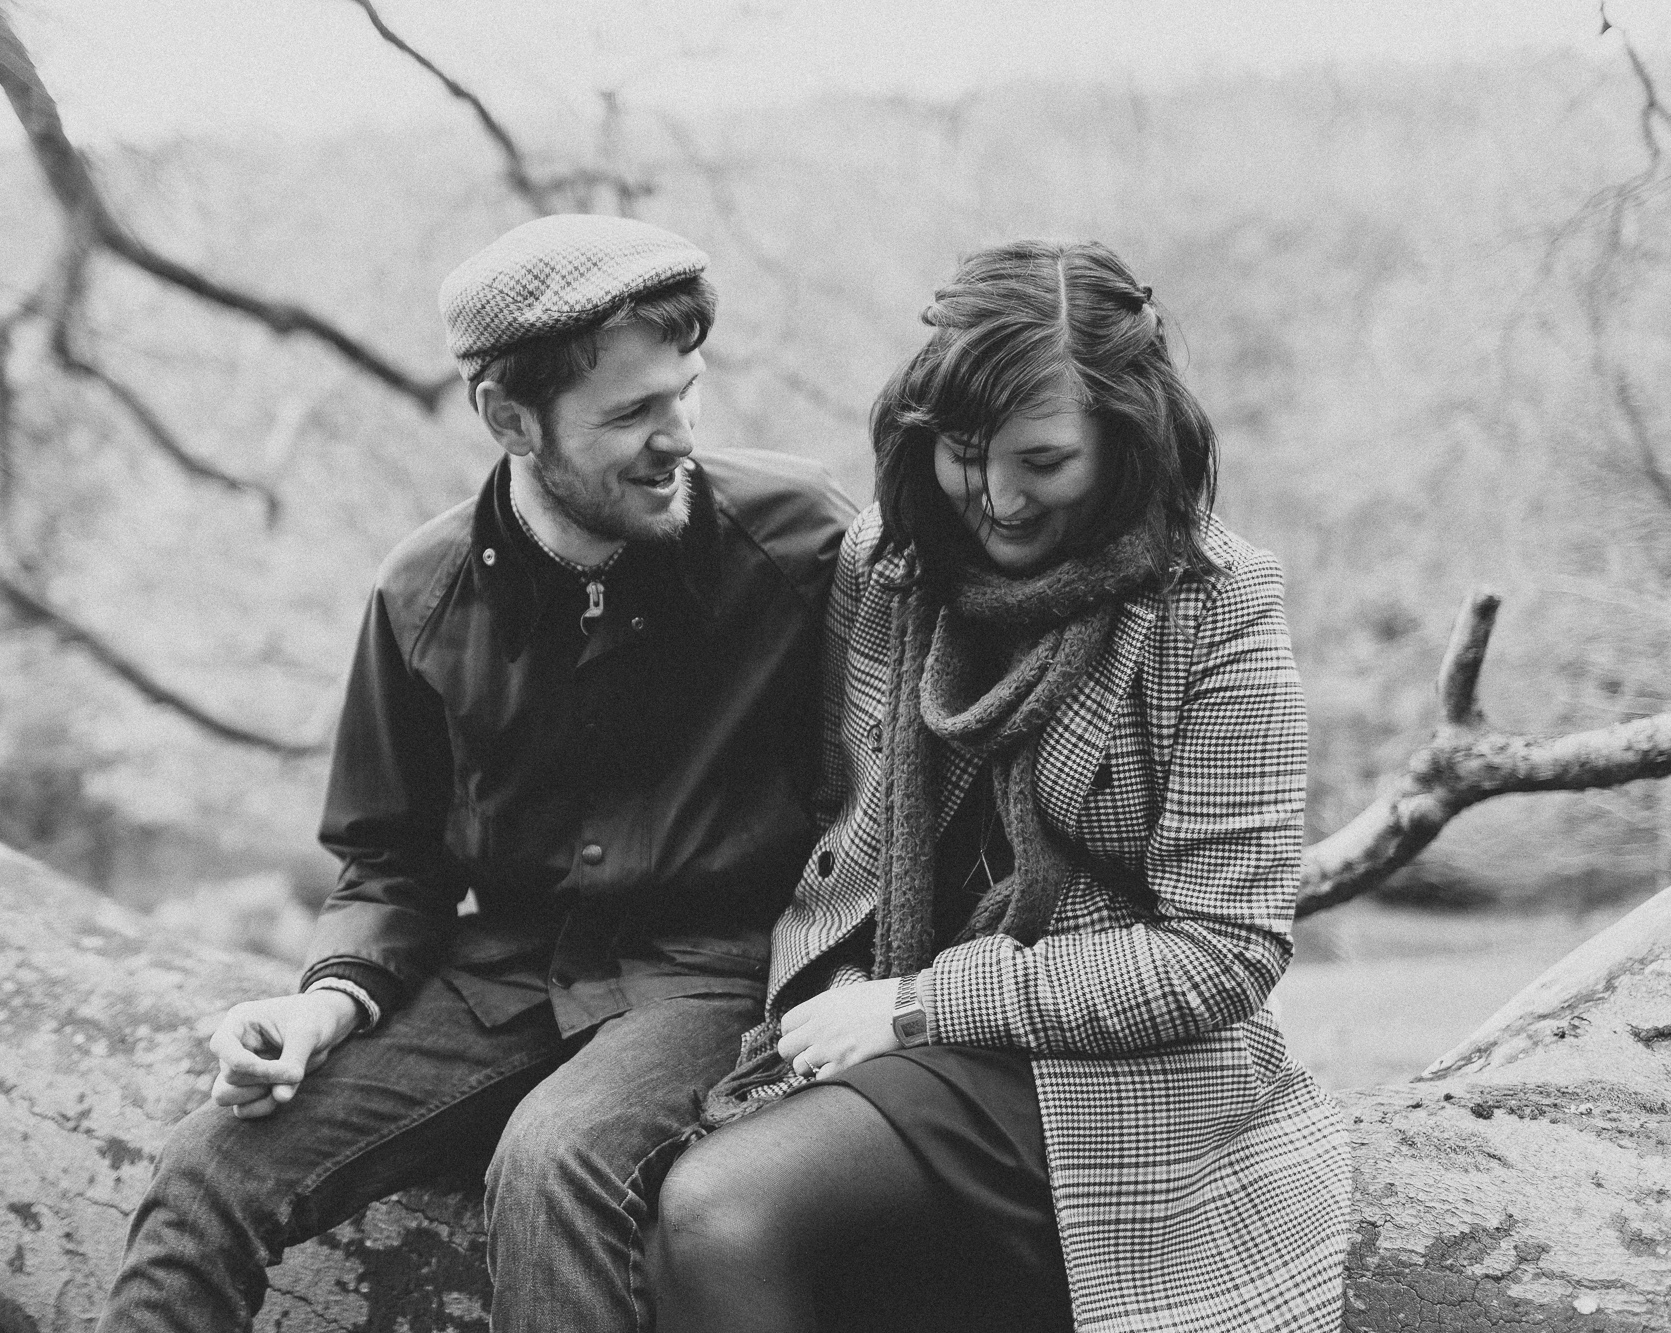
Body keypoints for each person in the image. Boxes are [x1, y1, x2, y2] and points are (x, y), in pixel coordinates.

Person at [99, 214, 854, 1333]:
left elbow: (896, 790)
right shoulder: (422, 592)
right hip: (500, 979)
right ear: (509, 419)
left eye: (686, 393)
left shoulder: (801, 544)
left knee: (552, 1160)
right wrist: (324, 1001)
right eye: (630, 414)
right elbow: (386, 859)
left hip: (715, 978)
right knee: (212, 1161)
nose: (678, 437)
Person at [645, 240, 1351, 1333]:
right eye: (966, 456)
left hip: (1107, 1067)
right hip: (889, 1028)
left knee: (722, 1209)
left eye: (1043, 462)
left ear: (1126, 440)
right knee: (688, 1217)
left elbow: (1225, 951)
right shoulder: (890, 567)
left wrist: (921, 1005)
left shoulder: (1214, 607)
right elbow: (841, 819)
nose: (1000, 499)